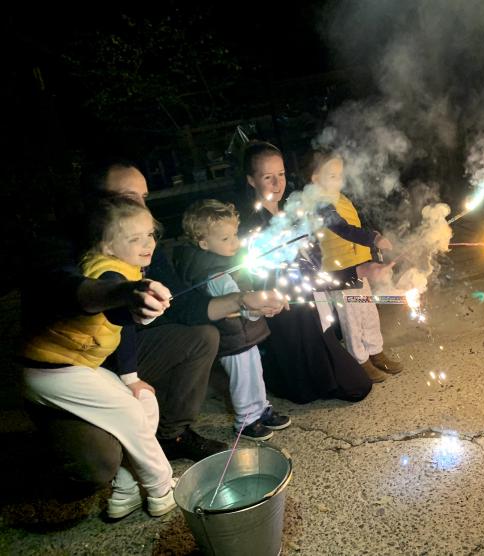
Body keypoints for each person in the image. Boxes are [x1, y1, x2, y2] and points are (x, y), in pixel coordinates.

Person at [21, 158, 286, 497]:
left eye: (145, 197)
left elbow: (184, 306)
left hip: (115, 355)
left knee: (202, 336)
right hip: (62, 370)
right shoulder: (58, 243)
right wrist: (123, 293)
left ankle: (173, 435)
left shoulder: (144, 242)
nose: (143, 209)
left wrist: (242, 300)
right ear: (97, 202)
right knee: (100, 464)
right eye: (130, 197)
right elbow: (76, 290)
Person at [20, 197, 176, 519]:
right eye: (135, 238)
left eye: (151, 234)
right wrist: (131, 298)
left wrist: (140, 310)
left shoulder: (128, 267)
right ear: (106, 244)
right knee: (131, 413)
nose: (148, 243)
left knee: (144, 399)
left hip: (75, 367)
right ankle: (162, 489)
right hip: (49, 370)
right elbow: (110, 293)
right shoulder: (106, 271)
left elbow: (124, 316)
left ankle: (125, 491)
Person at [242, 141, 373, 403]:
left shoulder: (292, 211)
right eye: (268, 177)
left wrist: (350, 272)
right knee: (311, 388)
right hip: (284, 307)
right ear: (251, 180)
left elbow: (314, 260)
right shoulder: (251, 223)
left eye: (280, 174)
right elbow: (257, 272)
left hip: (309, 299)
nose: (277, 184)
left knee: (358, 386)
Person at [174, 199, 291, 440]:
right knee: (243, 376)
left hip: (243, 333)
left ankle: (260, 408)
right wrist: (261, 307)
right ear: (204, 242)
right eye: (225, 239)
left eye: (235, 235)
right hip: (232, 337)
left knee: (254, 371)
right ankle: (245, 420)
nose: (235, 243)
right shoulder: (212, 271)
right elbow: (237, 299)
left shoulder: (222, 260)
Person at [307, 150, 403, 381]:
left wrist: (373, 249)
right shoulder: (320, 204)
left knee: (368, 311)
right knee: (352, 317)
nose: (338, 180)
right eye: (331, 175)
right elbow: (342, 229)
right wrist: (373, 238)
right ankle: (359, 361)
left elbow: (356, 224)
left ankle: (375, 352)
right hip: (340, 271)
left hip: (357, 265)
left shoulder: (341, 199)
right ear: (315, 178)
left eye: (340, 175)